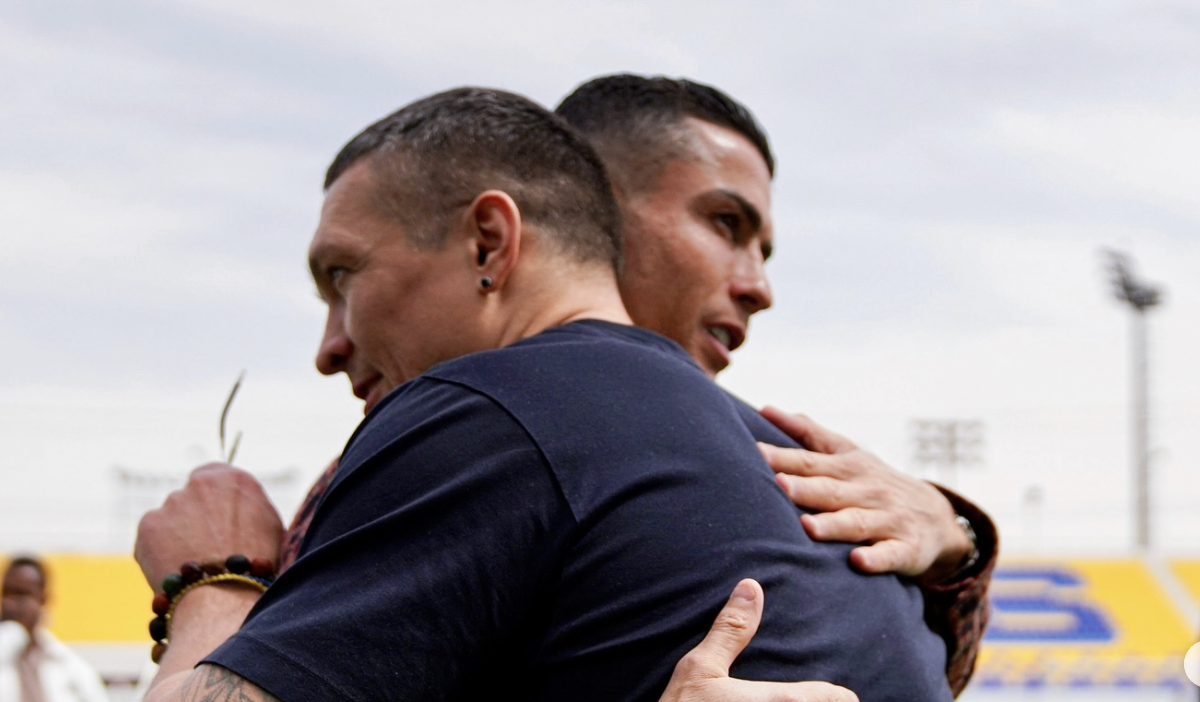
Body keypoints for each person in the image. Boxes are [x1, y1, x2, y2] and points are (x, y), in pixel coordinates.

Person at [136, 87, 950, 702]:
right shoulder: (774, 460)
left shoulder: (491, 410)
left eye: (344, 276)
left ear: (490, 242)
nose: (330, 346)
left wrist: (212, 581)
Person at [552, 74, 996, 693]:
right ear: (584, 209)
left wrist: (957, 541)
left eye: (763, 250)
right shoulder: (485, 420)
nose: (760, 289)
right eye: (726, 223)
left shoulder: (769, 455)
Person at [1, 556, 110, 702]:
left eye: (21, 594)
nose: (10, 604)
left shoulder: (69, 666)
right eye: (6, 593)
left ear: (42, 600)